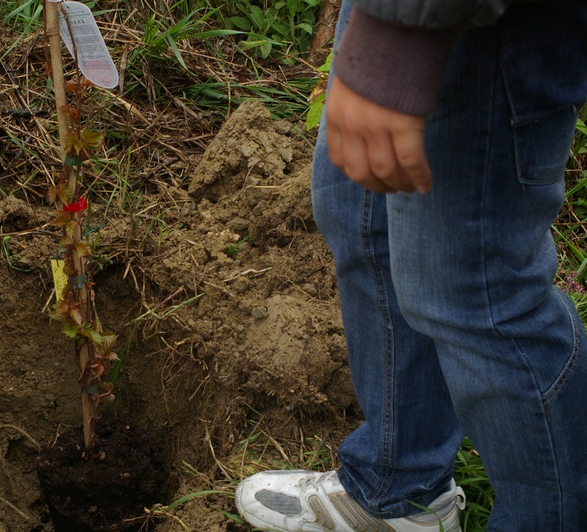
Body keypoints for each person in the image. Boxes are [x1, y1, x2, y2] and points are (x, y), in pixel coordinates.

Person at [234, 0, 587, 530]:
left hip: (486, 28)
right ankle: (401, 491)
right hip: (397, 18)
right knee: (360, 217)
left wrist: (399, 37)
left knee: (482, 298)